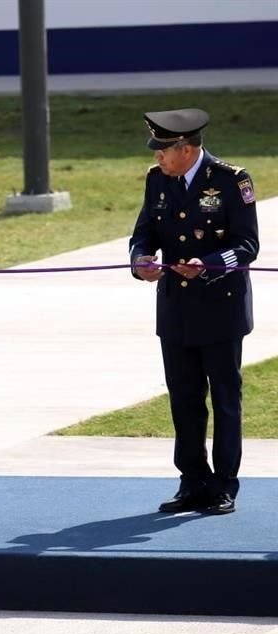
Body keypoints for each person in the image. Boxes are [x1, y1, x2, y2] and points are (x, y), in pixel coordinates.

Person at [129, 108, 259, 515]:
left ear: (185, 149)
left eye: (163, 152)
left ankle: (223, 485)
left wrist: (209, 265)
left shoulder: (230, 180)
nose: (157, 159)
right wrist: (140, 261)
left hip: (219, 309)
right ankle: (192, 480)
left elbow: (247, 246)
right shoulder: (157, 182)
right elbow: (144, 231)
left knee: (224, 399)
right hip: (176, 309)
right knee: (183, 399)